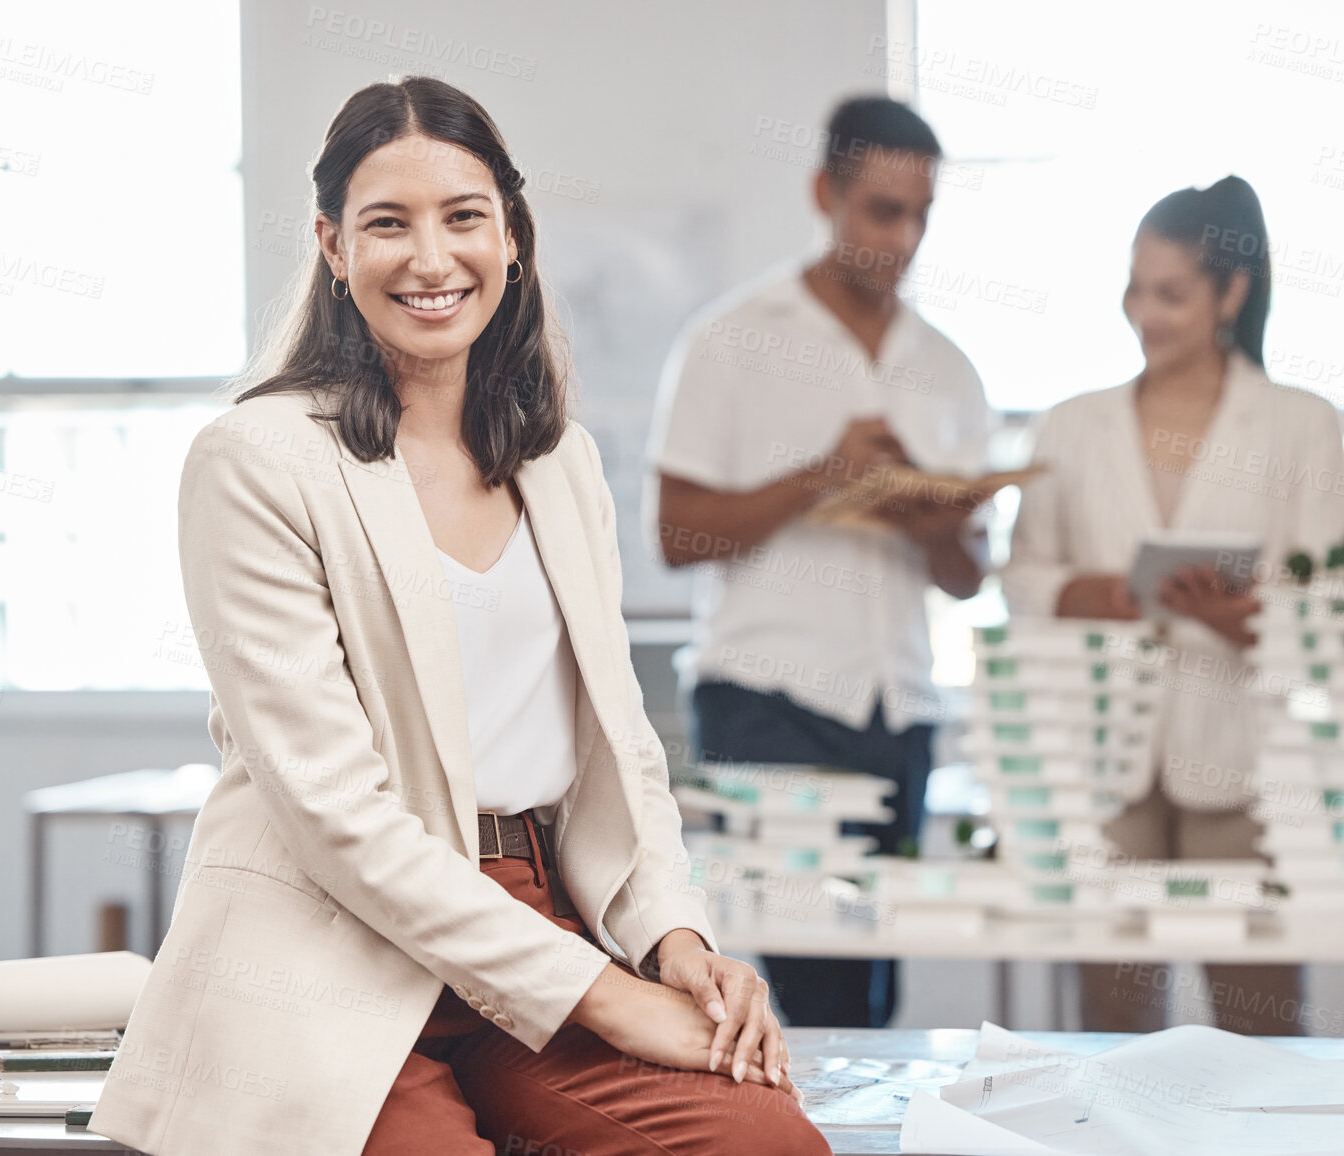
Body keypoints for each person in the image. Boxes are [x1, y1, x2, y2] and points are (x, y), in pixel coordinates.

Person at [88, 77, 828, 1156]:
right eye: (387, 223)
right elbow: (336, 813)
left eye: (463, 217)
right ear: (333, 247)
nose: (431, 260)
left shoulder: (559, 462)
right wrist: (610, 999)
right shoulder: (256, 461)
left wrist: (673, 938)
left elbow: (619, 751)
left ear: (513, 238)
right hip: (327, 928)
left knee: (764, 1142)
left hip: (537, 898)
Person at [646, 96, 994, 1028]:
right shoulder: (729, 341)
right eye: (883, 209)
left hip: (899, 710)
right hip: (770, 701)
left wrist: (925, 514)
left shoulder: (949, 368)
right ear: (824, 194)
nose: (904, 236)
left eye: (920, 213)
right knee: (817, 987)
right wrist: (823, 478)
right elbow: (677, 536)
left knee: (874, 987)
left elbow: (967, 577)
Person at [1003, 176, 1344, 1035]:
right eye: (1134, 289)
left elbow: (1329, 601)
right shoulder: (1071, 425)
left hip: (1246, 763)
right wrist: (1101, 594)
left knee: (1258, 1022)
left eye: (1171, 293)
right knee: (1113, 1029)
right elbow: (1022, 578)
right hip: (1105, 761)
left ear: (1231, 292)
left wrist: (1242, 615)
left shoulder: (1299, 423)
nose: (1144, 313)